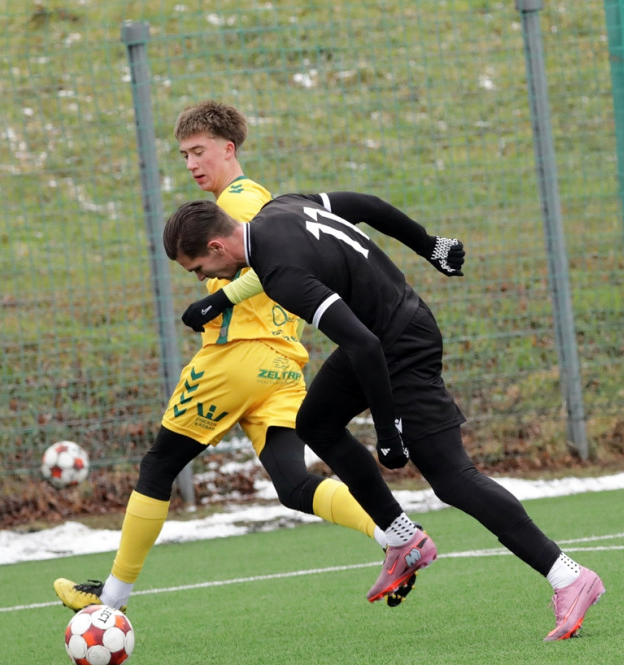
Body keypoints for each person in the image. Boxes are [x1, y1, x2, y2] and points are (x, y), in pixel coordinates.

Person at [163, 191, 606, 640]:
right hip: (382, 336)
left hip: (400, 345)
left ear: (217, 247)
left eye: (197, 269)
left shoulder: (281, 274)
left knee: (452, 477)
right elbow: (367, 206)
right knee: (315, 421)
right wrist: (428, 244)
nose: (202, 277)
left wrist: (388, 430)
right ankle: (402, 539)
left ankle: (568, 576)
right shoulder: (280, 208)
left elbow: (365, 345)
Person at [53, 102, 402, 614]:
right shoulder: (258, 202)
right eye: (184, 155)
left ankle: (112, 598)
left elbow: (266, 265)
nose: (192, 164)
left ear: (228, 149)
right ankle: (395, 538)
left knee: (158, 466)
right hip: (281, 365)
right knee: (293, 484)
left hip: (235, 358)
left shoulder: (239, 201)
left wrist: (217, 300)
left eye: (199, 152)